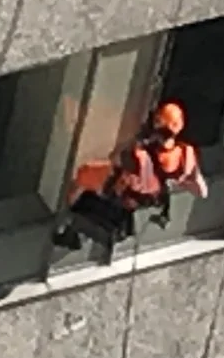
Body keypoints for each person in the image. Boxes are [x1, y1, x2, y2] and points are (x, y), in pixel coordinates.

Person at [57, 101, 208, 254]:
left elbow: (120, 165)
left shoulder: (143, 154)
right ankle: (75, 227)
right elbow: (201, 191)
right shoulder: (185, 156)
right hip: (140, 199)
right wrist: (176, 181)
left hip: (123, 191)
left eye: (157, 120)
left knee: (84, 173)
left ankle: (67, 224)